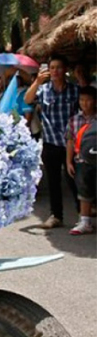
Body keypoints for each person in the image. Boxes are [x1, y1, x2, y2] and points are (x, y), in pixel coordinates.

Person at [24, 55, 79, 229]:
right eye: (52, 67)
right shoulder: (43, 89)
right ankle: (56, 216)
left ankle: (82, 215)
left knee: (75, 180)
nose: (55, 71)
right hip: (50, 142)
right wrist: (37, 82)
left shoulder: (74, 90)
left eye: (59, 67)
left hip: (71, 142)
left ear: (65, 70)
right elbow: (27, 99)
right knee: (54, 181)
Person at [65, 87, 97, 235]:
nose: (85, 103)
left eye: (88, 100)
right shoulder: (74, 120)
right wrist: (69, 161)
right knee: (83, 190)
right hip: (81, 161)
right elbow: (70, 141)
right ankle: (85, 221)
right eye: (82, 100)